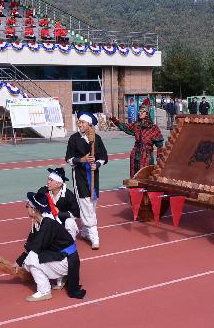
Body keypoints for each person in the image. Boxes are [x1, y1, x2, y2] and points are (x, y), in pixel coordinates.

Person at [14, 191, 85, 302]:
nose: (26, 208)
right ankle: (61, 278)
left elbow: (35, 247)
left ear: (34, 209)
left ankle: (44, 291)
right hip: (64, 256)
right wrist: (19, 261)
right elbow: (31, 243)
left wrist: (20, 261)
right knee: (29, 258)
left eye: (27, 206)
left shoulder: (47, 224)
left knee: (31, 259)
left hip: (68, 260)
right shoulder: (39, 222)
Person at [65, 112, 108, 249]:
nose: (79, 124)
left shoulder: (97, 139)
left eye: (82, 122)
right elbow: (69, 159)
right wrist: (81, 160)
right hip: (80, 176)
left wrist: (98, 164)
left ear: (89, 125)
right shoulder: (74, 139)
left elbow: (104, 157)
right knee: (86, 205)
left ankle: (84, 230)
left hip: (93, 176)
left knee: (92, 204)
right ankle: (95, 236)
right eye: (79, 122)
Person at [109, 99, 163, 178]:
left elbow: (160, 146)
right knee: (134, 177)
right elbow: (125, 127)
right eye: (139, 111)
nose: (140, 113)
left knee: (145, 176)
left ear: (147, 113)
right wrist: (113, 119)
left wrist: (159, 160)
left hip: (146, 156)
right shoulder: (136, 125)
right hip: (135, 154)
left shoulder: (154, 128)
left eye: (142, 112)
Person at [36, 167, 80, 239]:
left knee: (70, 222)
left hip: (63, 223)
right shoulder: (43, 191)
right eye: (48, 179)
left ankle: (70, 244)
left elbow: (76, 213)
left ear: (59, 184)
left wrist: (59, 213)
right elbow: (35, 205)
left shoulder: (68, 195)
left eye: (51, 180)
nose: (48, 182)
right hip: (48, 221)